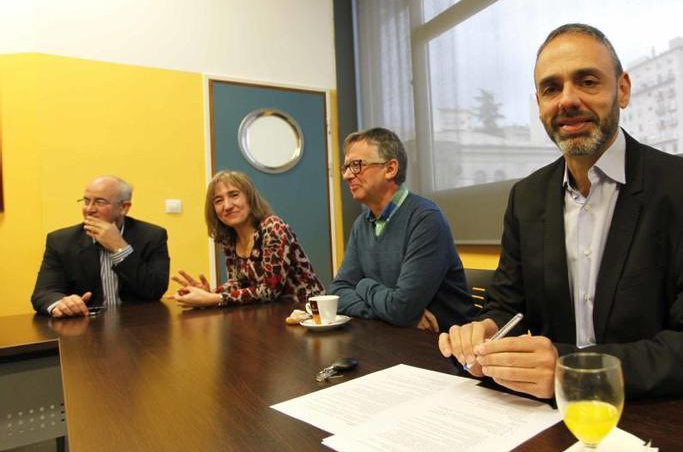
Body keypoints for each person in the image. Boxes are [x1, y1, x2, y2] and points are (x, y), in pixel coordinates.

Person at [438, 23, 683, 399]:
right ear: (539, 104)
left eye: (587, 81)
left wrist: (570, 370)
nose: (567, 100)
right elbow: (507, 304)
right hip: (554, 422)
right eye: (551, 88)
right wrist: (489, 328)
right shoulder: (526, 198)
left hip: (662, 418)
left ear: (622, 90)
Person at [329, 127, 476, 332]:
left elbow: (401, 308)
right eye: (345, 167)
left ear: (390, 169)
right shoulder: (361, 224)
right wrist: (387, 314)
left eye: (356, 165)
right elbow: (337, 293)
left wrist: (362, 285)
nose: (346, 175)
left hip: (443, 348)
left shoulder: (425, 219)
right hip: (394, 336)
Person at [173, 170, 324, 307]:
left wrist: (215, 298)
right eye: (218, 200)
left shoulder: (273, 228)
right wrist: (209, 292)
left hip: (307, 315)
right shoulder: (230, 239)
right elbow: (239, 283)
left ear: (250, 199)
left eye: (234, 195)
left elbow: (270, 291)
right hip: (269, 317)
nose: (227, 206)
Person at [32, 176, 170, 317]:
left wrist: (120, 247)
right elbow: (43, 293)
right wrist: (61, 303)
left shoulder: (152, 236)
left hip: (138, 325)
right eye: (86, 201)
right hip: (84, 328)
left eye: (100, 202)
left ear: (124, 207)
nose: (89, 209)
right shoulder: (61, 241)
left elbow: (154, 290)